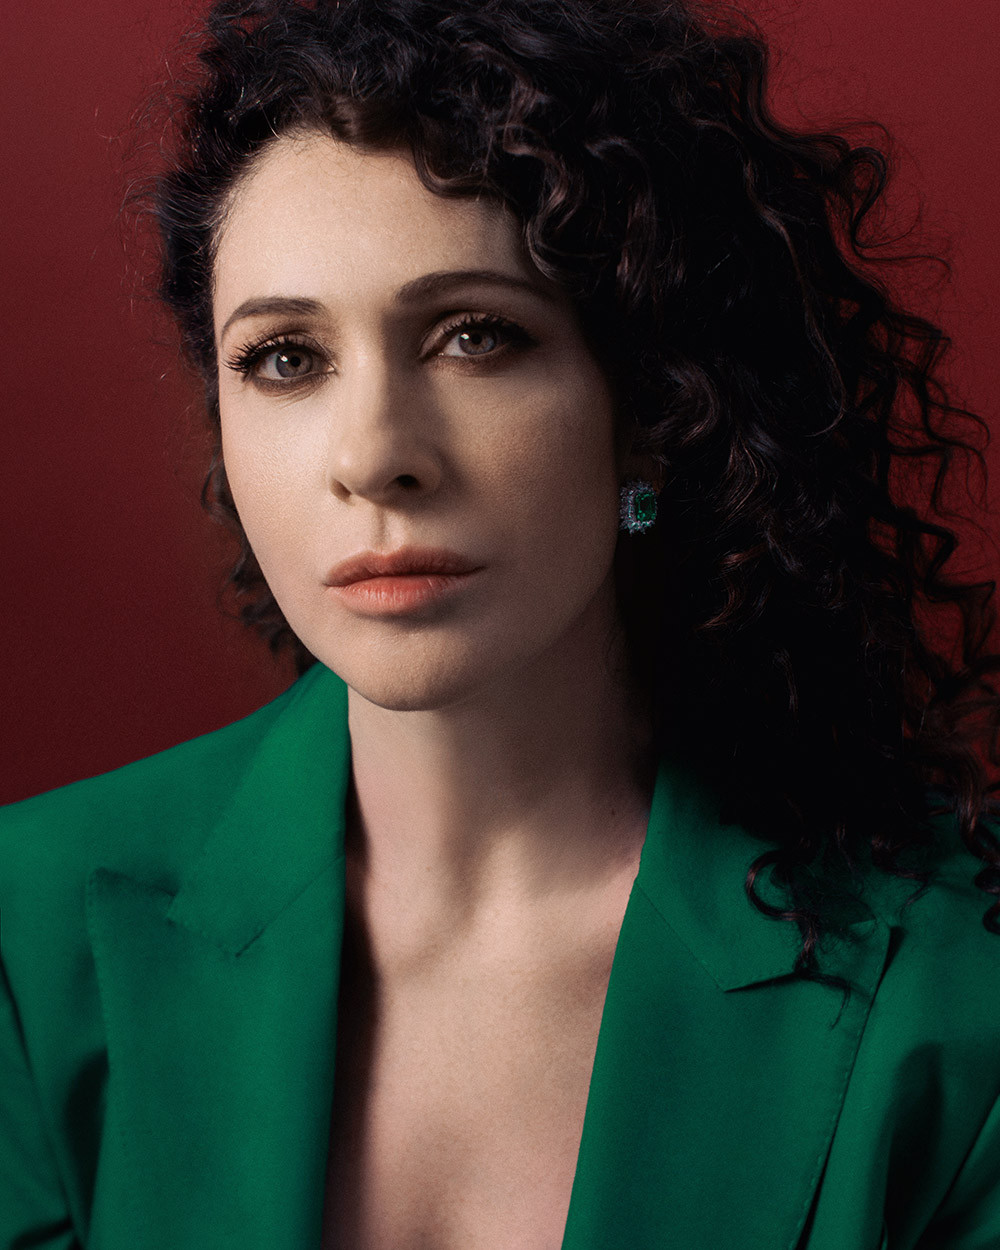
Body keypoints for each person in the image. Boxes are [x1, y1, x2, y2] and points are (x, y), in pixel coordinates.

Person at [3, 0, 1000, 1246]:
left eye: (476, 336)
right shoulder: (25, 941)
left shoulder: (956, 989)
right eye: (284, 358)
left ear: (655, 411)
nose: (373, 455)